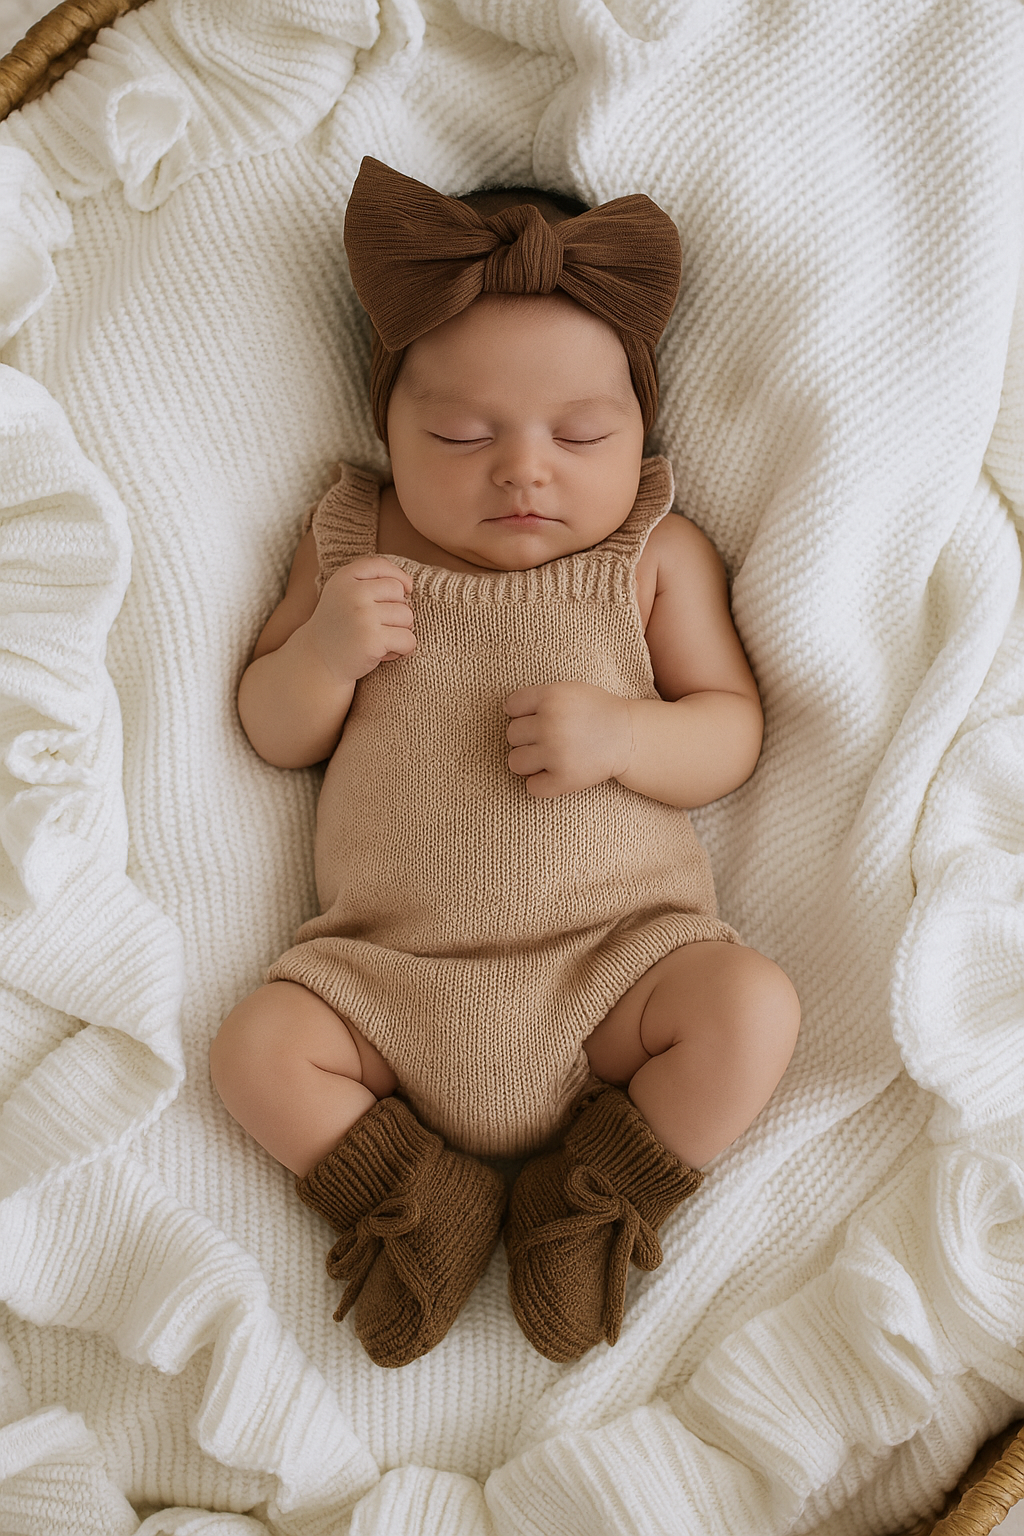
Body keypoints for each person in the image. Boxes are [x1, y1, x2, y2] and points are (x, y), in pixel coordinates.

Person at [209, 156, 800, 1369]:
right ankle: (413, 1199)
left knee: (750, 1009)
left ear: (640, 429)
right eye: (460, 433)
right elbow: (273, 728)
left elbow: (730, 729)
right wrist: (325, 653)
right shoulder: (351, 539)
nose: (523, 469)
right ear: (387, 424)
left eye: (581, 433)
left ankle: (595, 1198)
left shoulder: (650, 554)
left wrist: (630, 735)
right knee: (254, 1052)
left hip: (611, 975)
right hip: (386, 983)